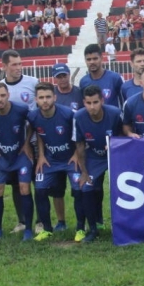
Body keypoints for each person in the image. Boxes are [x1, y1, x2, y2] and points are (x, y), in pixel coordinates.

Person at [28, 82, 83, 239]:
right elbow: (39, 133)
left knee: (79, 191)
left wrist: (76, 154)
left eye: (48, 97)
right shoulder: (33, 116)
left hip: (70, 159)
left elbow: (78, 134)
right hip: (50, 161)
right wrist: (42, 156)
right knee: (40, 190)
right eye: (41, 98)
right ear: (36, 100)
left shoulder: (68, 114)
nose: (45, 101)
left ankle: (81, 228)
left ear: (55, 98)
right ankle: (46, 228)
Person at [0, 82, 34, 242]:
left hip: (20, 155)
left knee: (24, 188)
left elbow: (33, 122)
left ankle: (29, 229)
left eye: (2, 95)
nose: (0, 99)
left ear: (8, 95)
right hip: (1, 156)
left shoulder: (21, 109)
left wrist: (26, 143)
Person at [73, 85, 123, 243]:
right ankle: (93, 228)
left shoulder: (114, 113)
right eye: (88, 103)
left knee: (122, 187)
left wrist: (115, 144)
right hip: (94, 156)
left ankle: (123, 225)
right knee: (87, 187)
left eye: (95, 102)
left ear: (102, 100)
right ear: (83, 102)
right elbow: (80, 147)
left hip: (116, 154)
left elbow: (123, 135)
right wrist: (84, 172)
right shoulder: (79, 117)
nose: (92, 106)